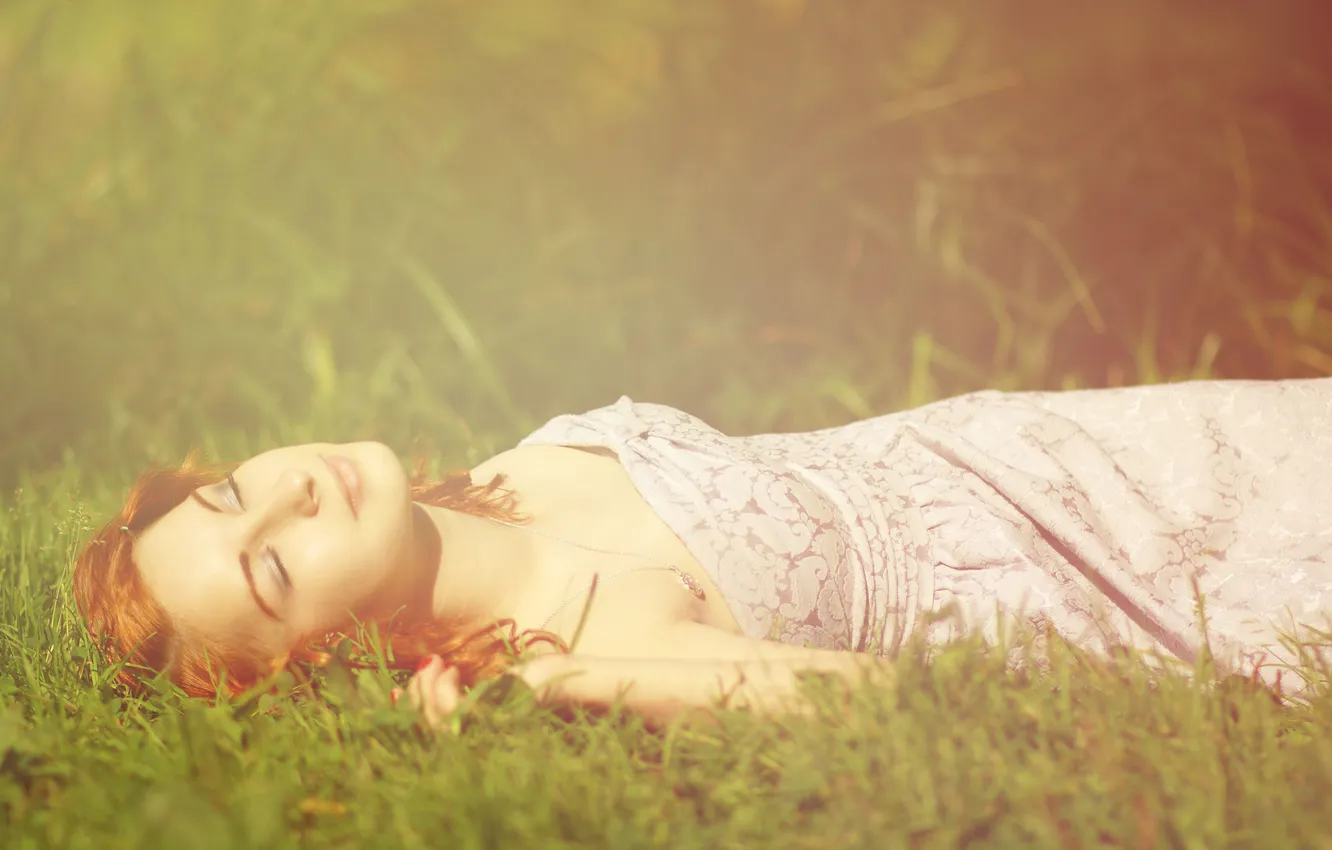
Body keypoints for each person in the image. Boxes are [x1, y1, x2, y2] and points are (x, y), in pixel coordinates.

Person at [74, 379, 1332, 727]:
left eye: (234, 491)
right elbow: (885, 701)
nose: (290, 492)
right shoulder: (592, 640)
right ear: (320, 655)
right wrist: (559, 683)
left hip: (1072, 446)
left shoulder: (501, 476)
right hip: (1101, 578)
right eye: (272, 567)